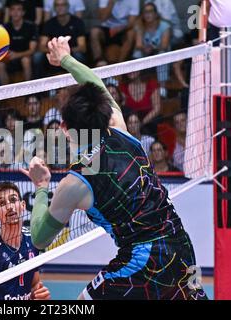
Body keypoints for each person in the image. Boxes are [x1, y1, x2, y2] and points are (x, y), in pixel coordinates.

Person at [21, 36, 207, 300]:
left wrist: (41, 187)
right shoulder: (121, 130)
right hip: (180, 242)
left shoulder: (75, 183)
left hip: (143, 262)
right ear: (104, 113)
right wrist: (65, 58)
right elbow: (95, 84)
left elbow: (39, 238)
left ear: (64, 129)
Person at [0, 182, 51, 300]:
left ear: (22, 205)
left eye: (13, 200)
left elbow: (34, 284)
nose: (9, 206)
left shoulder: (32, 240)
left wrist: (38, 296)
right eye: (2, 203)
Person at [33, 0, 86, 79]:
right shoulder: (49, 23)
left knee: (79, 56)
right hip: (54, 53)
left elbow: (82, 47)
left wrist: (65, 52)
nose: (60, 7)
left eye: (63, 5)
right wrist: (57, 52)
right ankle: (39, 87)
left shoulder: (77, 22)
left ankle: (81, 83)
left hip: (71, 53)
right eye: (57, 5)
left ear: (68, 7)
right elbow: (41, 47)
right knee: (37, 56)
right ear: (54, 8)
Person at [0, 0, 38, 84]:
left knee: (25, 60)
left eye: (19, 10)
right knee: (0, 63)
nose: (15, 12)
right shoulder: (5, 27)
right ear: (10, 12)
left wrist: (17, 55)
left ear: (23, 12)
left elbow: (32, 50)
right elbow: (0, 47)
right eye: (13, 9)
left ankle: (28, 91)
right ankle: (5, 93)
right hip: (10, 56)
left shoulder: (31, 26)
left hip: (25, 56)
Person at [90, 0, 139, 65]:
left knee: (131, 33)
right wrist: (111, 2)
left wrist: (119, 29)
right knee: (94, 32)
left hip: (124, 28)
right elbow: (102, 18)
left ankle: (120, 64)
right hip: (106, 27)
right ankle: (99, 61)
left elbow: (131, 23)